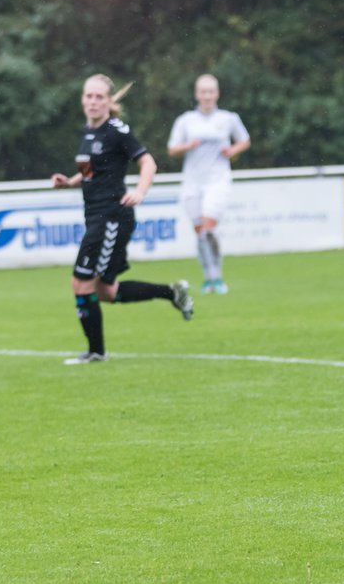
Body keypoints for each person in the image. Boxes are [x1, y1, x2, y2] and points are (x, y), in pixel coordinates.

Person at [51, 75, 195, 365]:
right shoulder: (88, 133)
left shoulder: (116, 131)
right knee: (105, 291)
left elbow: (148, 162)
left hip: (112, 217)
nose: (92, 101)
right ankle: (172, 293)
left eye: (99, 97)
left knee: (80, 283)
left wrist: (140, 190)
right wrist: (70, 182)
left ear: (109, 101)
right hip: (96, 215)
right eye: (88, 96)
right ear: (82, 99)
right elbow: (91, 170)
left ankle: (96, 352)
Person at [167, 73, 251, 294]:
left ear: (217, 93)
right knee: (200, 233)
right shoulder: (185, 121)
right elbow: (172, 149)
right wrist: (188, 146)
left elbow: (244, 140)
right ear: (197, 94)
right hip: (193, 183)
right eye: (203, 92)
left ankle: (217, 277)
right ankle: (208, 278)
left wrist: (231, 150)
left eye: (211, 91)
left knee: (208, 229)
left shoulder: (228, 118)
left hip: (218, 180)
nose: (207, 96)